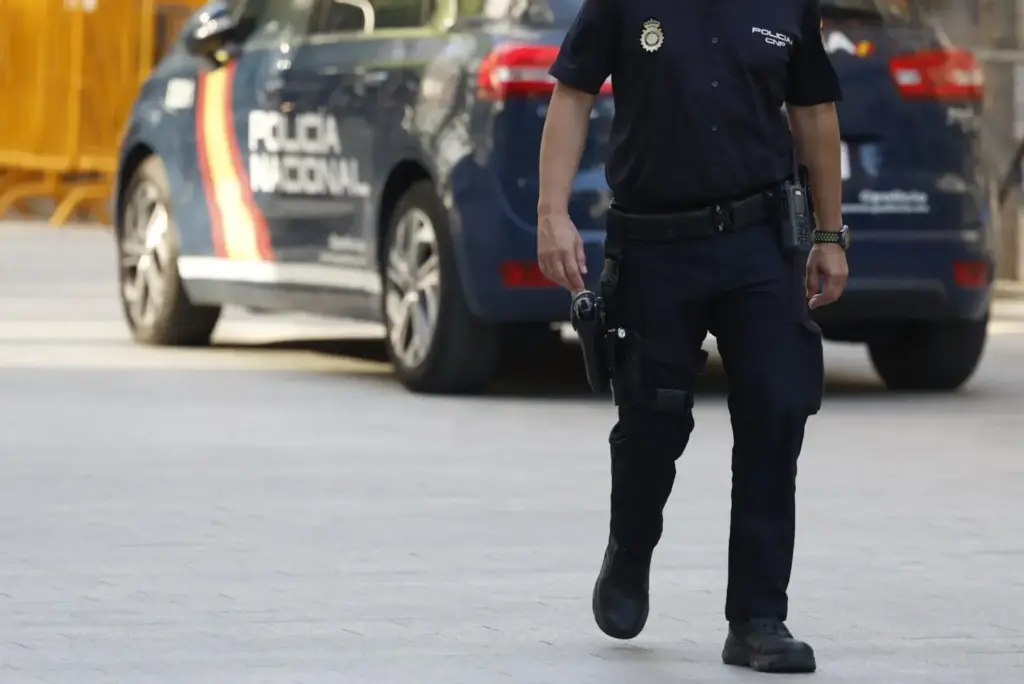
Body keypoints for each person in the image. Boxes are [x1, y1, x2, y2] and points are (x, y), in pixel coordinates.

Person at [537, 0, 849, 674]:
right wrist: (552, 214)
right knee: (652, 420)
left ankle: (758, 617)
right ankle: (630, 549)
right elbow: (573, 93)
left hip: (758, 241)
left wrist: (829, 235)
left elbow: (814, 112)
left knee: (776, 410)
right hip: (654, 243)